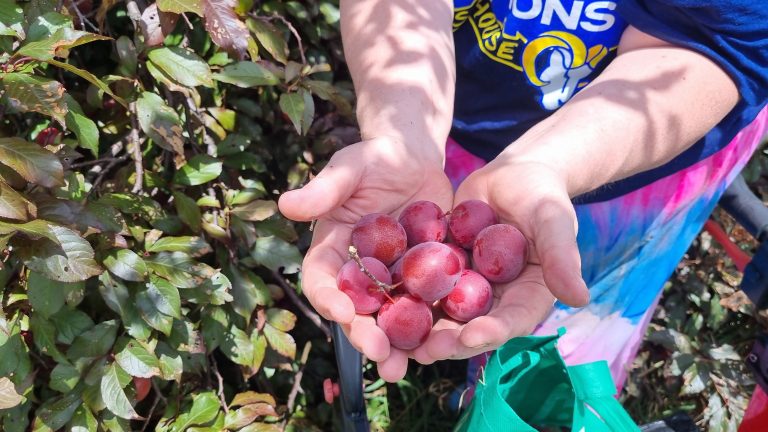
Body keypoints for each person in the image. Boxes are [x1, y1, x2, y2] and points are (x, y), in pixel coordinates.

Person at [278, 0, 768, 391]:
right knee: (494, 304)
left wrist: (547, 165)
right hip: (442, 117)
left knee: (572, 310)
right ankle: (485, 381)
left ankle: (541, 397)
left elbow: (715, 43)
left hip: (632, 151)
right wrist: (402, 132)